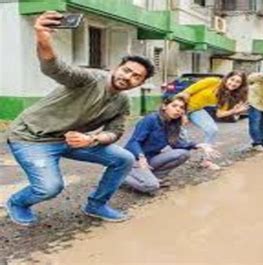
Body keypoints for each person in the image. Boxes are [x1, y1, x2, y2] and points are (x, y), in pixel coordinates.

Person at [5, 11, 155, 226]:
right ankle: (18, 203)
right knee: (49, 188)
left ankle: (96, 205)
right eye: (126, 70)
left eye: (136, 77)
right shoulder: (89, 79)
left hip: (69, 140)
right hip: (30, 138)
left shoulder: (122, 102)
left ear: (139, 84)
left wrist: (92, 139)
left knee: (124, 158)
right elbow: (54, 67)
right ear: (116, 68)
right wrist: (42, 36)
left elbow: (116, 132)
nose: (127, 77)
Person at [122, 96, 220, 194]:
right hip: (133, 159)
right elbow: (134, 142)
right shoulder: (151, 119)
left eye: (182, 108)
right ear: (164, 106)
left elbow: (177, 144)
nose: (178, 109)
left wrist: (199, 145)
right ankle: (121, 176)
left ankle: (154, 177)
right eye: (174, 106)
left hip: (149, 159)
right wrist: (141, 157)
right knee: (151, 186)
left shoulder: (173, 124)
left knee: (183, 154)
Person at [177, 71, 248, 170]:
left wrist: (234, 111)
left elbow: (220, 114)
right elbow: (185, 94)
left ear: (240, 85)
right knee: (180, 138)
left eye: (238, 82)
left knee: (212, 129)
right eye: (232, 79)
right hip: (178, 107)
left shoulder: (227, 95)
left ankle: (206, 161)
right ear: (227, 78)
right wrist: (183, 114)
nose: (233, 83)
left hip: (196, 110)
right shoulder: (212, 81)